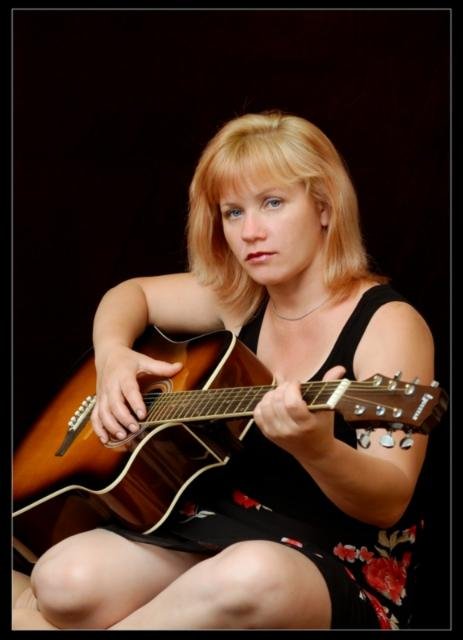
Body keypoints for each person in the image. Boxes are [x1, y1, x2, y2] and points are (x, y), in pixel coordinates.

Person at [12, 110, 437, 630]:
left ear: (324, 207)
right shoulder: (244, 298)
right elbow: (130, 294)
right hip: (219, 521)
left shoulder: (389, 323)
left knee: (250, 575)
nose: (250, 233)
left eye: (273, 203)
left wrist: (317, 448)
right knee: (62, 579)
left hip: (328, 555)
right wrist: (113, 357)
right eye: (233, 212)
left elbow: (390, 501)